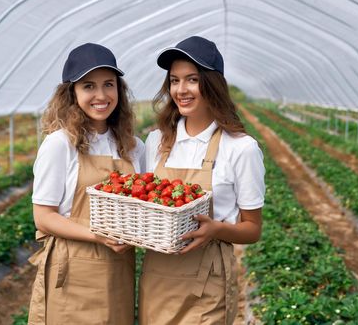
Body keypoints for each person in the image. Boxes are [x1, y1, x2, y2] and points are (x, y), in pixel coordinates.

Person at [138, 36, 265, 324]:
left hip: (207, 282)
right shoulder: (157, 141)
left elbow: (252, 229)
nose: (181, 90)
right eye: (174, 80)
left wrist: (216, 229)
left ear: (212, 84)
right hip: (157, 277)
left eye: (192, 80)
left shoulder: (241, 148)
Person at [27, 43, 145, 324]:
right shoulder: (60, 144)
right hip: (73, 270)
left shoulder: (132, 146)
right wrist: (99, 234)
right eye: (89, 86)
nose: (101, 95)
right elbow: (43, 217)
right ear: (72, 93)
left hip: (118, 268)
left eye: (109, 84)